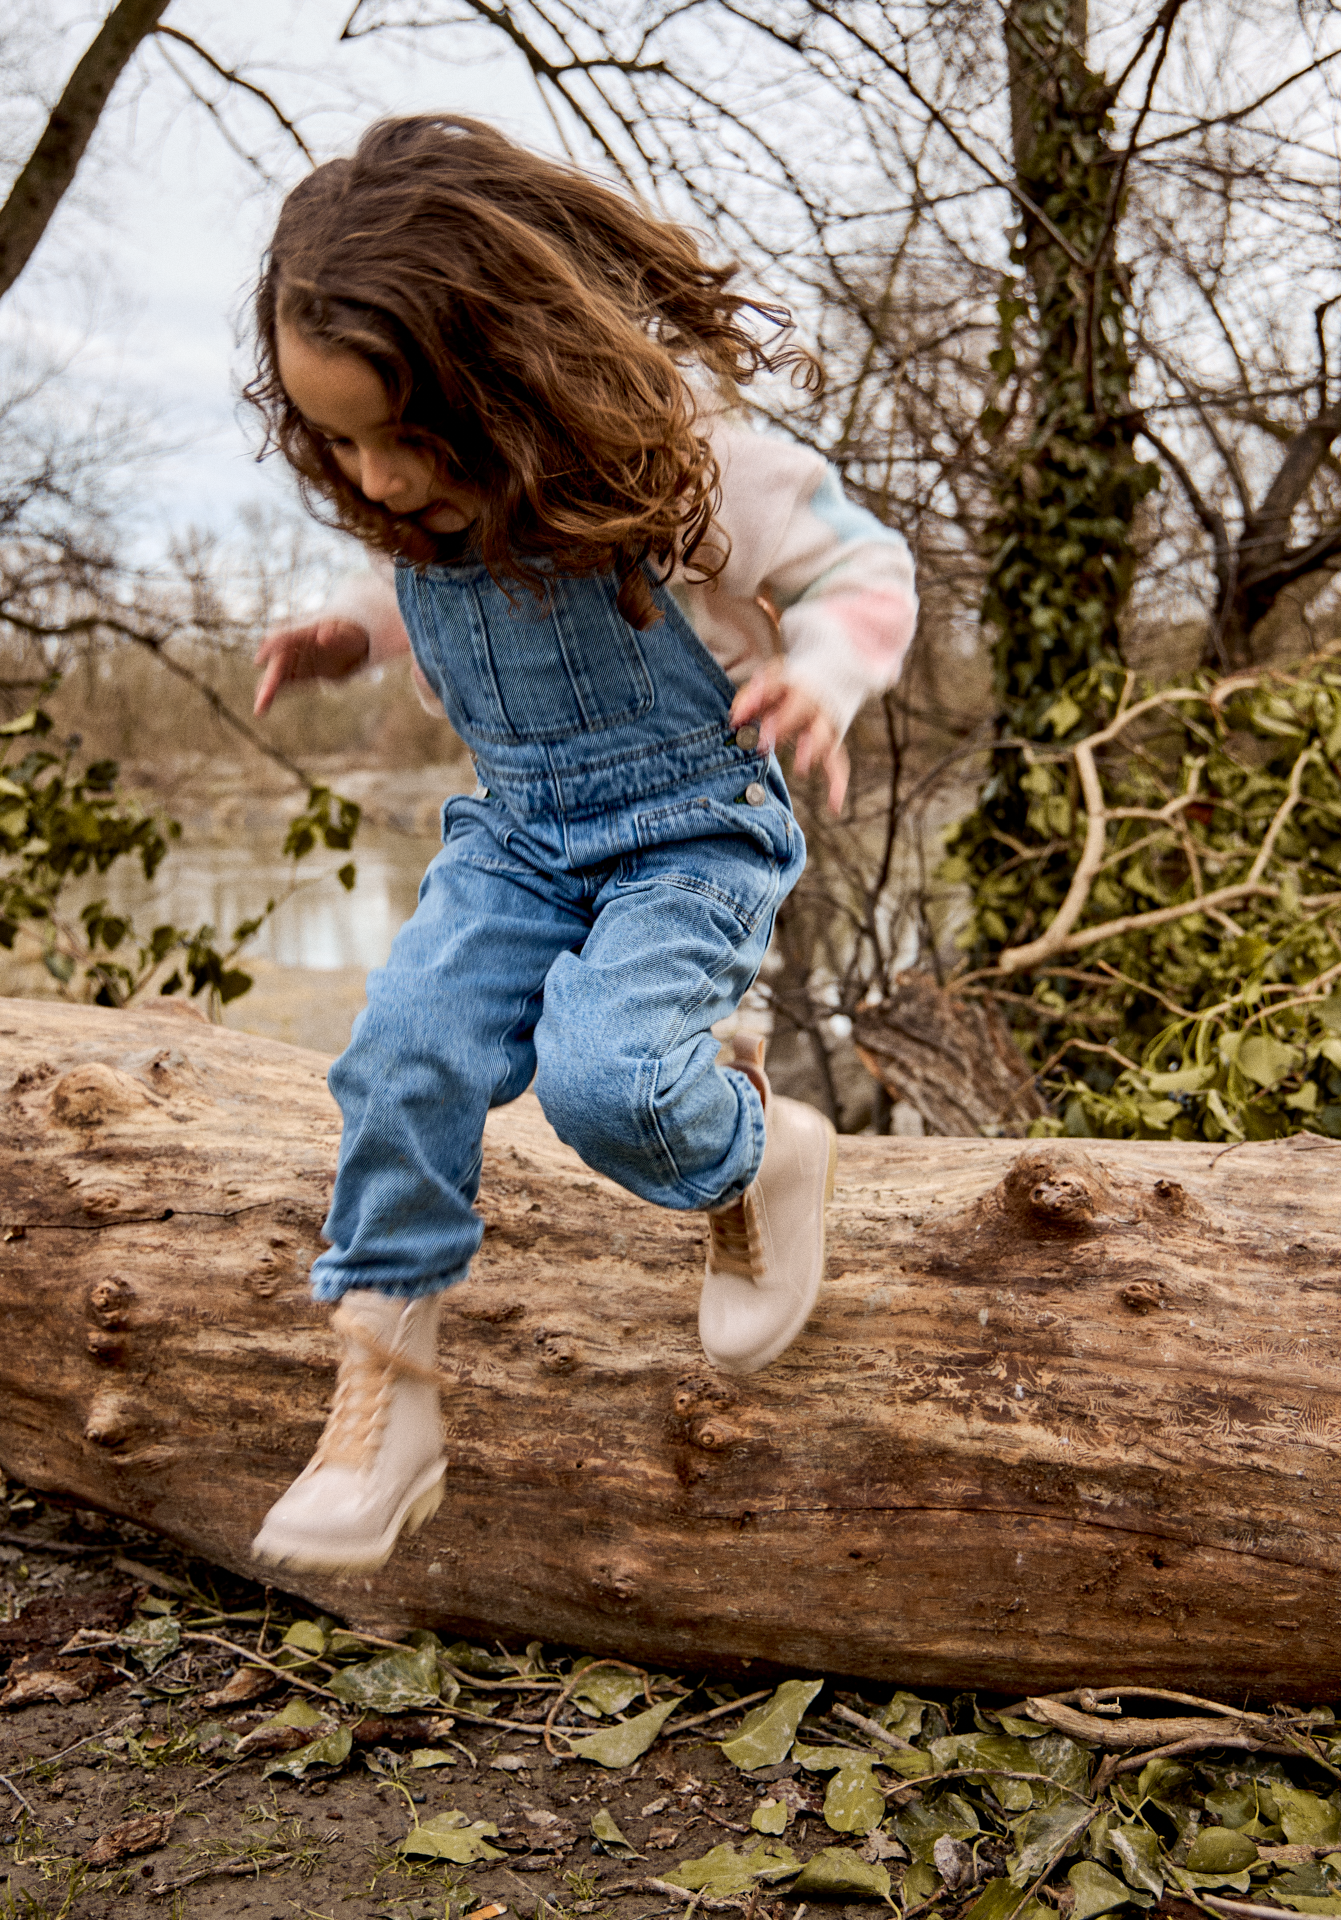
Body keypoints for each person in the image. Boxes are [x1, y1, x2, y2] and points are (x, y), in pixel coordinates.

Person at [243, 115, 917, 1576]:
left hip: (693, 831)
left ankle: (756, 1159)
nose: (374, 477)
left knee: (606, 1083)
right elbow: (392, 580)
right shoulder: (414, 512)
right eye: (337, 439)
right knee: (403, 1048)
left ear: (512, 379)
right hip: (521, 834)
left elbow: (864, 564)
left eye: (401, 436)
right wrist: (350, 636)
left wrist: (826, 670)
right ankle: (388, 1383)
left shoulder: (690, 473)